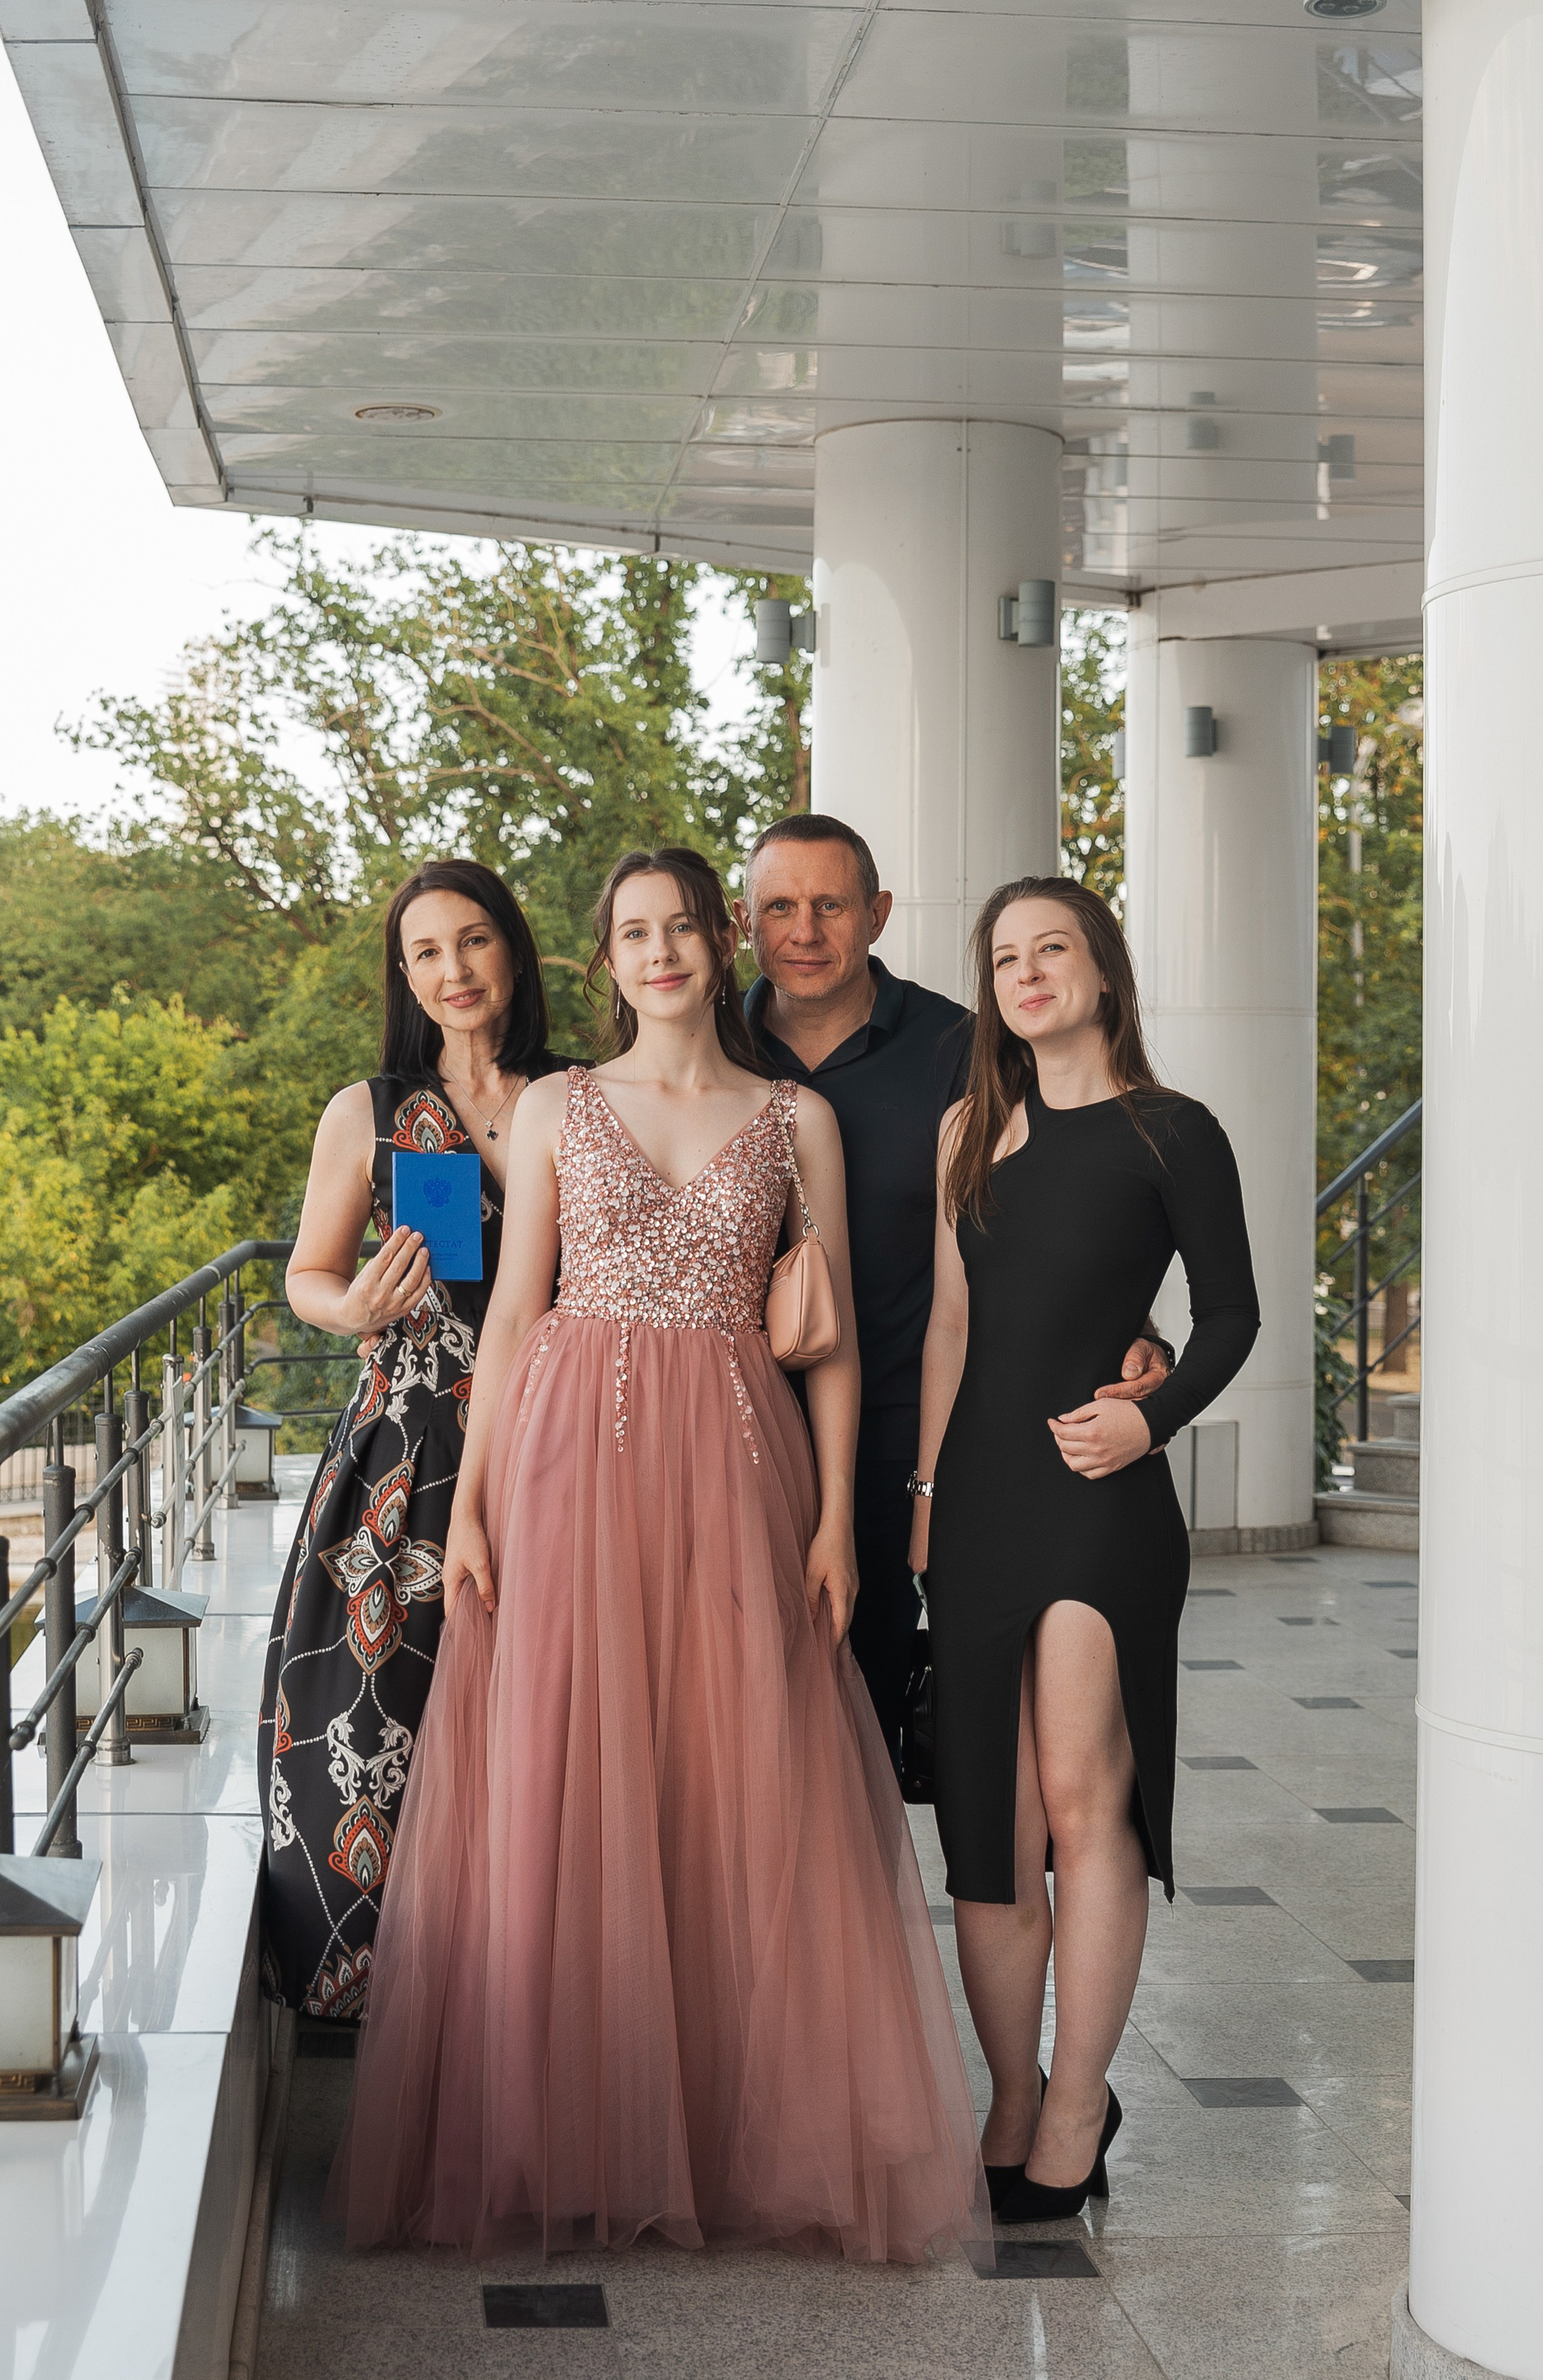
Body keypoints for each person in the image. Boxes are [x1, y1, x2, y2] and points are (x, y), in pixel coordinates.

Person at [329, 846, 985, 2261]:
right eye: (635, 931)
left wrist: (834, 1520)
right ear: (606, 960)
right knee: (574, 1775)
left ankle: (733, 2130)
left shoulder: (797, 1117)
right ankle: (566, 2132)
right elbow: (513, 1317)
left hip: (740, 1465)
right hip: (570, 1458)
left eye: (685, 925)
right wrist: (475, 1504)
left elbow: (833, 1340)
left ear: (716, 943)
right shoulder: (561, 1105)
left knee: (730, 1771)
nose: (664, 950)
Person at [910, 875, 1260, 2222]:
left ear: (1103, 970)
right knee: (989, 1824)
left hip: (1097, 1494)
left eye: (1051, 948)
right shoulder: (968, 1130)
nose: (1027, 973)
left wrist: (1150, 1416)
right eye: (1005, 956)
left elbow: (1230, 1316)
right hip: (980, 1501)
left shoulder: (1174, 1131)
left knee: (1078, 1793)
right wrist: (924, 1494)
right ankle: (1013, 2094)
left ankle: (1077, 2098)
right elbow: (952, 1325)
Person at [737, 815, 1170, 1771]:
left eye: (830, 905)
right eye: (779, 907)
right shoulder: (703, 1044)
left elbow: (1055, 1200)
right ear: (743, 920)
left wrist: (1132, 1326)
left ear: (878, 914)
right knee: (734, 1717)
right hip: (731, 1429)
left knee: (875, 1710)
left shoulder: (967, 1048)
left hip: (913, 1428)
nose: (804, 931)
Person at [257, 858, 567, 2022]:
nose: (454, 969)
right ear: (405, 973)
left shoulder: (582, 1096)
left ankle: (532, 1995)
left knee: (540, 1728)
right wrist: (352, 1308)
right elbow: (307, 1273)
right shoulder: (372, 1112)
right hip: (405, 1452)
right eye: (427, 951)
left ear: (514, 950)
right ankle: (383, 1998)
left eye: (474, 940)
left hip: (558, 1445)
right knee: (376, 1722)